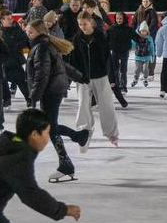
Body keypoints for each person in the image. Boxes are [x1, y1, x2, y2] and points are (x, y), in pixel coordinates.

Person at [25, 20, 88, 182]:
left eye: (30, 31)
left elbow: (42, 75)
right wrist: (80, 77)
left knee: (49, 127)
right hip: (54, 89)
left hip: (50, 91)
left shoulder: (41, 47)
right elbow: (62, 65)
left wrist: (34, 96)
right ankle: (78, 137)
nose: (28, 33)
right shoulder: (44, 45)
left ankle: (66, 162)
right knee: (50, 126)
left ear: (39, 32)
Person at [70, 12, 121, 147]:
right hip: (83, 79)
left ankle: (112, 134)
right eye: (80, 24)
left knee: (106, 105)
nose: (82, 27)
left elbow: (107, 58)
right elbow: (73, 60)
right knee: (83, 106)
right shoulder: (76, 39)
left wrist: (111, 76)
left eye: (85, 24)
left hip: (101, 76)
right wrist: (77, 76)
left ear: (91, 22)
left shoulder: (100, 37)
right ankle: (84, 133)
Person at [1, 10, 30, 107]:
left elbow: (25, 40)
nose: (11, 20)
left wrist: (15, 47)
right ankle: (6, 100)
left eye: (11, 18)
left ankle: (29, 99)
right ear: (2, 20)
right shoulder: (0, 31)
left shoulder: (16, 28)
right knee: (3, 83)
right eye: (8, 19)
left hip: (15, 61)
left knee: (21, 81)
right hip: (3, 62)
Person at [108, 11, 134, 93]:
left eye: (120, 18)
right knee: (115, 70)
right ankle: (116, 86)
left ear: (124, 19)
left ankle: (123, 87)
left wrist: (141, 40)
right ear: (115, 19)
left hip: (124, 51)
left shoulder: (128, 28)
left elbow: (135, 36)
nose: (119, 20)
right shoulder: (112, 28)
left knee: (123, 70)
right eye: (117, 18)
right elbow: (106, 37)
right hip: (115, 51)